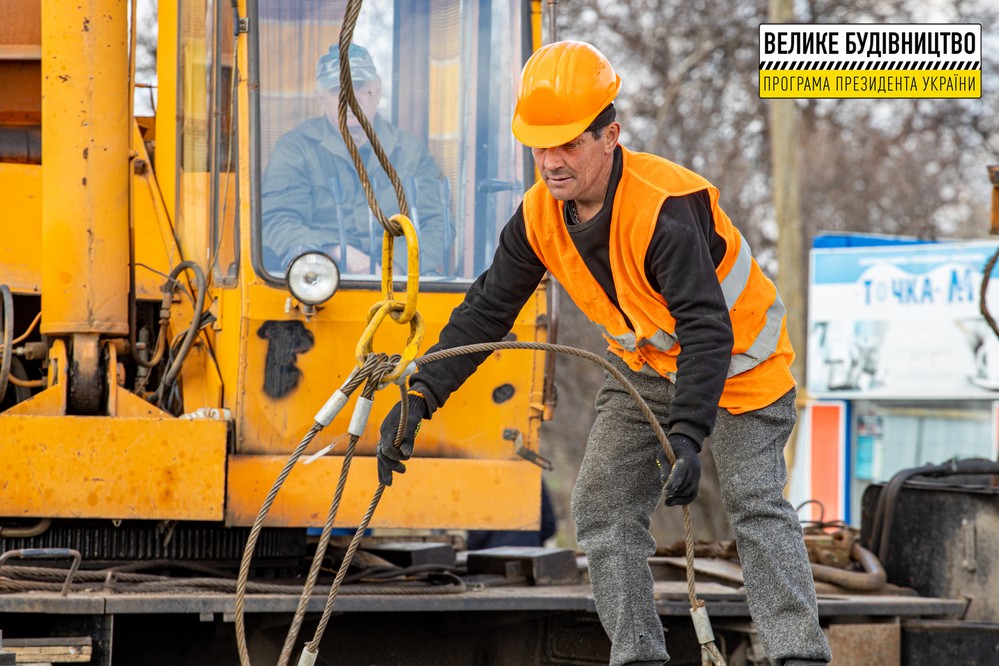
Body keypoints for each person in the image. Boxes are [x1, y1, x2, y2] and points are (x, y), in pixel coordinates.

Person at [375, 40, 831, 666]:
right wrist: (420, 394)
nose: (552, 161)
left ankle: (797, 655)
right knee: (600, 505)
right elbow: (486, 309)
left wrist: (689, 438)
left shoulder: (663, 209)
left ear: (610, 135)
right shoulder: (538, 216)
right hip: (645, 367)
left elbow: (707, 330)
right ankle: (639, 656)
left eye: (569, 143)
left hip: (739, 367)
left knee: (755, 505)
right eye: (540, 144)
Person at [261, 43, 450, 276]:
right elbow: (277, 221)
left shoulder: (411, 151)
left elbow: (437, 225)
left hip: (399, 283)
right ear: (320, 97)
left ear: (378, 91)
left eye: (360, 87)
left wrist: (395, 267)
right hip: (320, 281)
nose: (350, 98)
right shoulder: (295, 149)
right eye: (337, 89)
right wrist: (339, 251)